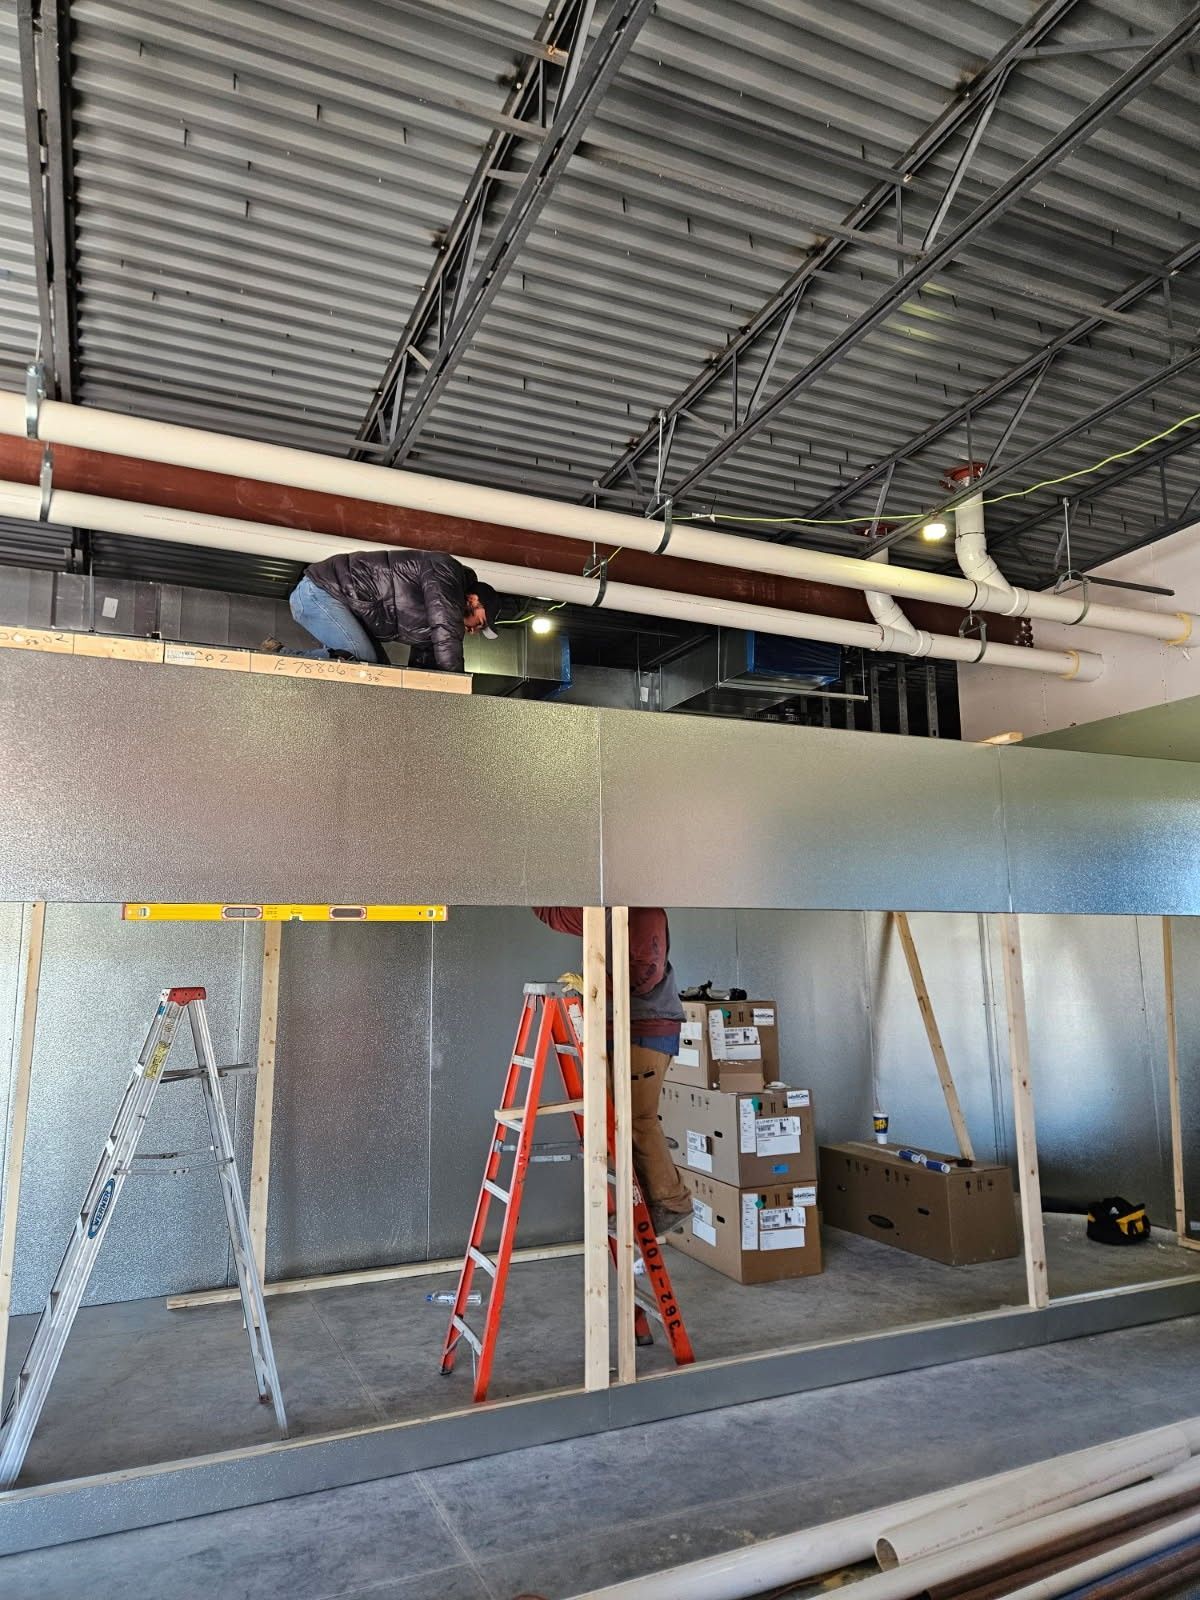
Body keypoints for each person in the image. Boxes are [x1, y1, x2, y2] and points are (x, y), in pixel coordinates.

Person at [533, 906, 692, 1238]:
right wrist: (527, 880)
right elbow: (558, 916)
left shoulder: (645, 910)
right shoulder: (603, 907)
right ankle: (638, 1205)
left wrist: (594, 982)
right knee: (617, 1121)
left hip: (644, 1027)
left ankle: (671, 1202)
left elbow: (645, 972)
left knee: (637, 1118)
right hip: (618, 1028)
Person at [265, 548, 499, 671]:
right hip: (320, 592)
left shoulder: (433, 625)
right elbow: (446, 628)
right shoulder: (445, 572)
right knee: (364, 663)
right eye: (480, 623)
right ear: (473, 599)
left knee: (381, 675)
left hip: (338, 603)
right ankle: (280, 658)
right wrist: (457, 692)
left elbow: (429, 670)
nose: (473, 631)